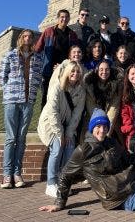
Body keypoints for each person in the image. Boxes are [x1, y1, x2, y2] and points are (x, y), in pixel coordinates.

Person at [0, 29, 43, 189]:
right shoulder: (10, 55)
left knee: (21, 138)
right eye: (25, 36)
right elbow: (2, 75)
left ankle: (17, 173)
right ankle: (6, 174)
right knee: (11, 138)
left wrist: (33, 92)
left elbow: (37, 76)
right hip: (11, 101)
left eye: (30, 37)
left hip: (28, 101)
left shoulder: (37, 57)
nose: (27, 38)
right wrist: (8, 91)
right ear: (20, 38)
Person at [37, 61, 86, 197]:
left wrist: (69, 133)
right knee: (57, 149)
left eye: (77, 72)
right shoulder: (57, 87)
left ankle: (62, 181)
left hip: (67, 126)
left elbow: (77, 113)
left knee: (69, 148)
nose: (75, 74)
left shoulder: (81, 90)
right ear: (67, 72)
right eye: (72, 71)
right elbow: (52, 112)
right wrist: (60, 134)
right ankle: (51, 184)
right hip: (51, 124)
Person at [35, 9, 78, 109]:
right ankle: (44, 123)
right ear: (58, 18)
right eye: (62, 17)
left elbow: (75, 52)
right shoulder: (48, 31)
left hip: (65, 70)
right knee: (46, 99)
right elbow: (38, 49)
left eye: (66, 17)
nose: (64, 19)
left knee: (64, 98)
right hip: (49, 71)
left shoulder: (72, 34)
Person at [82, 60, 123, 139]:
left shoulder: (117, 84)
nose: (104, 72)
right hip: (93, 118)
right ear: (97, 71)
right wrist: (98, 127)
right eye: (101, 69)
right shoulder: (90, 84)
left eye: (107, 69)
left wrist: (106, 131)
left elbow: (113, 109)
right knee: (87, 138)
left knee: (114, 139)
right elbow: (92, 108)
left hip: (110, 120)